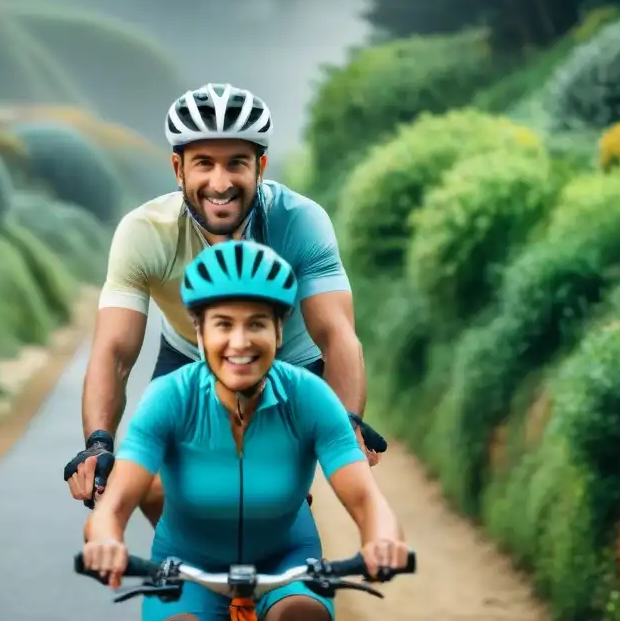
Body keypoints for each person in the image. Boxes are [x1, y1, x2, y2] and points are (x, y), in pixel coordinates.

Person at [66, 82, 382, 524]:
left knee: (270, 497)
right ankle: (190, 576)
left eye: (236, 163)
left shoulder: (301, 222)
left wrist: (346, 419)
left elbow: (337, 337)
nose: (220, 182)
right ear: (178, 169)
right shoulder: (144, 233)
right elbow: (115, 353)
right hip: (189, 356)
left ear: (261, 166)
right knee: (157, 489)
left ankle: (280, 563)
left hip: (290, 364)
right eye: (204, 164)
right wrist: (98, 442)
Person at [80, 240, 410, 621]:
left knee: (301, 615)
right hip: (187, 566)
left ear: (279, 333)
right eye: (223, 324)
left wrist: (382, 538)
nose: (240, 342)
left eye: (256, 323)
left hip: (287, 557)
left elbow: (367, 500)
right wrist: (105, 537)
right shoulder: (167, 398)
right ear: (199, 335)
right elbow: (117, 502)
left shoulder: (311, 398)